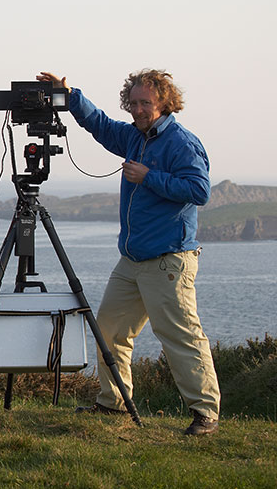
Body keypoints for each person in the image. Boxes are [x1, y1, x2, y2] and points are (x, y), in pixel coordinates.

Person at [37, 69, 220, 436]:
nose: (137, 109)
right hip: (133, 260)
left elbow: (200, 190)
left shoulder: (181, 143)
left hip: (168, 260)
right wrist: (69, 94)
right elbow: (101, 125)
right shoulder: (135, 137)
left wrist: (148, 176)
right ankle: (113, 403)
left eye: (145, 103)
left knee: (180, 335)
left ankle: (206, 413)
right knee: (109, 330)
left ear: (164, 103)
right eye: (133, 103)